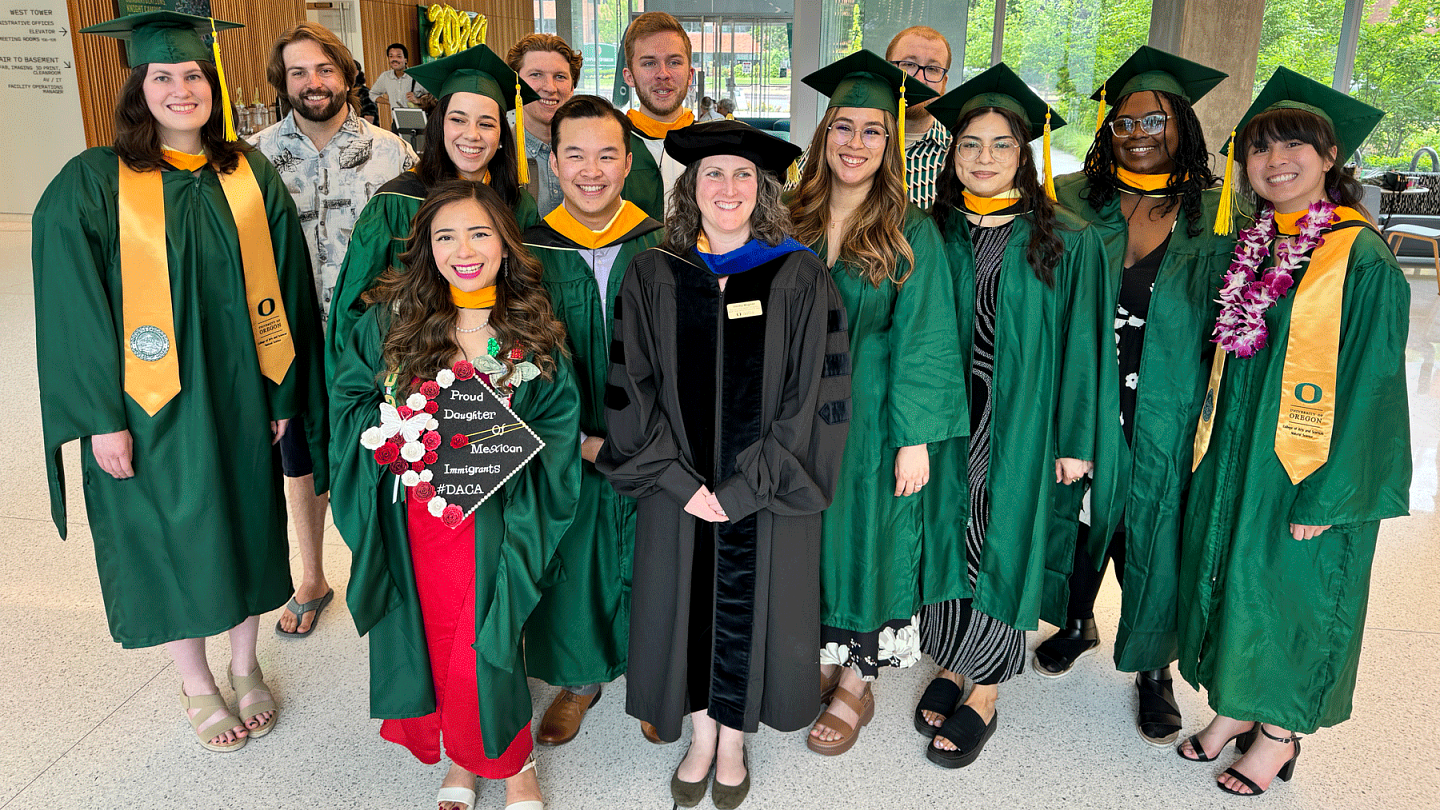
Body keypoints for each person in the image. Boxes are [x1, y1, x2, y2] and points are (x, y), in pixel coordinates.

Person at [34, 11, 327, 752]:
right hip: (149, 405)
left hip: (239, 395)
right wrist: (102, 415)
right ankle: (197, 680)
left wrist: (282, 394)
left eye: (193, 74)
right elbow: (73, 305)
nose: (180, 88)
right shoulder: (93, 183)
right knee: (171, 533)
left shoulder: (248, 174)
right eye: (161, 76)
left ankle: (244, 662)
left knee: (245, 522)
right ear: (138, 89)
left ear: (214, 84)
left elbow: (287, 292)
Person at [597, 121, 851, 809]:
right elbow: (631, 389)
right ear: (692, 186)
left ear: (763, 189)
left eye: (744, 175)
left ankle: (733, 737)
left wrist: (744, 488)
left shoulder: (799, 275)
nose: (728, 187)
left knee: (755, 600)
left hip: (764, 492)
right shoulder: (653, 272)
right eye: (713, 174)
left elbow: (812, 397)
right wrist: (681, 482)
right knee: (685, 598)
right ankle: (701, 732)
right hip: (673, 488)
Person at [1176, 67, 1409, 797]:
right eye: (1259, 148)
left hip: (1307, 469)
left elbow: (1374, 394)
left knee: (1291, 593)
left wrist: (1328, 496)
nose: (1275, 160)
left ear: (1330, 156)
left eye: (1294, 146)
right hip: (1242, 454)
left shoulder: (1361, 258)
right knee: (1236, 577)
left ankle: (1278, 735)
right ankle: (1233, 707)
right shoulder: (1260, 244)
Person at [330, 180, 580, 810]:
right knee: (436, 637)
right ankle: (460, 755)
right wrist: (395, 437)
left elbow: (557, 425)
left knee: (488, 641)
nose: (462, 249)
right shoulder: (394, 322)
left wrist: (503, 454)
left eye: (479, 233)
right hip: (418, 518)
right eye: (445, 236)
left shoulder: (533, 328)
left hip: (500, 517)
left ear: (505, 243)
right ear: (426, 247)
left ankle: (511, 760)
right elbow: (350, 403)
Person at [912, 64, 1119, 768]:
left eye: (1002, 145)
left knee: (1006, 537)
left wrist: (1074, 438)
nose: (985, 157)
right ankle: (949, 656)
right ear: (951, 151)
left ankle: (988, 685)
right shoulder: (930, 229)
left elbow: (1088, 345)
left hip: (1022, 425)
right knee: (947, 528)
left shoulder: (1067, 236)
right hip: (945, 420)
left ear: (1024, 154)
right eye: (970, 143)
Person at [1035, 47, 1233, 747]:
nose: (1138, 130)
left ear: (1182, 124)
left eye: (1155, 119)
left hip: (1171, 402)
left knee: (1156, 526)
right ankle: (1077, 621)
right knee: (1082, 514)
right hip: (1087, 394)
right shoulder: (1069, 198)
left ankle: (1155, 666)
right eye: (1123, 121)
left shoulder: (1218, 208)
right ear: (1105, 129)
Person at [787, 50, 965, 758]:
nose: (855, 144)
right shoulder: (791, 218)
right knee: (813, 536)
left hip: (873, 420)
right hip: (796, 418)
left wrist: (915, 437)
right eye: (844, 128)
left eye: (872, 131)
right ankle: (822, 652)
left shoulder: (910, 228)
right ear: (823, 136)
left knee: (869, 535)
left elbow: (926, 339)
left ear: (891, 145)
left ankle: (859, 678)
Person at [250, 21, 417, 640]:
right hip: (285, 333)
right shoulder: (256, 156)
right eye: (298, 72)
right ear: (283, 81)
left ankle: (388, 570)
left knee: (382, 450)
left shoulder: (391, 152)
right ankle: (312, 576)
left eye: (324, 69)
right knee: (300, 454)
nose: (313, 83)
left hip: (370, 338)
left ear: (347, 74)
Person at [521, 95, 665, 746]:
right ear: (553, 162)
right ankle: (580, 679)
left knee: (657, 558)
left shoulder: (662, 244)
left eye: (607, 154)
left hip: (653, 451)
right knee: (577, 558)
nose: (591, 169)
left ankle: (658, 678)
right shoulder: (528, 255)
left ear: (627, 162)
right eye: (574, 153)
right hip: (569, 449)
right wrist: (572, 438)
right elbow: (516, 359)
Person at [326, 44, 541, 381]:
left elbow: (530, 294)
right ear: (439, 126)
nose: (471, 135)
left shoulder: (517, 205)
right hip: (410, 386)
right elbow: (354, 310)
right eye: (458, 120)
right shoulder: (397, 201)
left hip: (501, 377)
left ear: (502, 136)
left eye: (487, 123)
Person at [622, 11, 696, 196]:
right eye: (649, 63)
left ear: (690, 75)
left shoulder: (713, 147)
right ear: (629, 76)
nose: (663, 73)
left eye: (674, 62)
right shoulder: (610, 147)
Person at [506, 33, 580, 217]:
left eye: (560, 77)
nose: (549, 87)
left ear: (572, 88)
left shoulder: (592, 155)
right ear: (515, 83)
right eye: (536, 75)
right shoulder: (499, 156)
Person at [885, 26, 954, 210]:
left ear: (944, 83)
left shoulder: (960, 154)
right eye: (908, 64)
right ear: (887, 70)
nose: (919, 79)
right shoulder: (851, 142)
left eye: (932, 69)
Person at [371, 42, 424, 110]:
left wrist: (418, 100)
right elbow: (372, 94)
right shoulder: (385, 76)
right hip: (396, 119)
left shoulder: (416, 76)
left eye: (398, 56)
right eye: (391, 56)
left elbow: (433, 97)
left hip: (416, 119)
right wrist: (389, 102)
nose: (394, 59)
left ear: (405, 60)